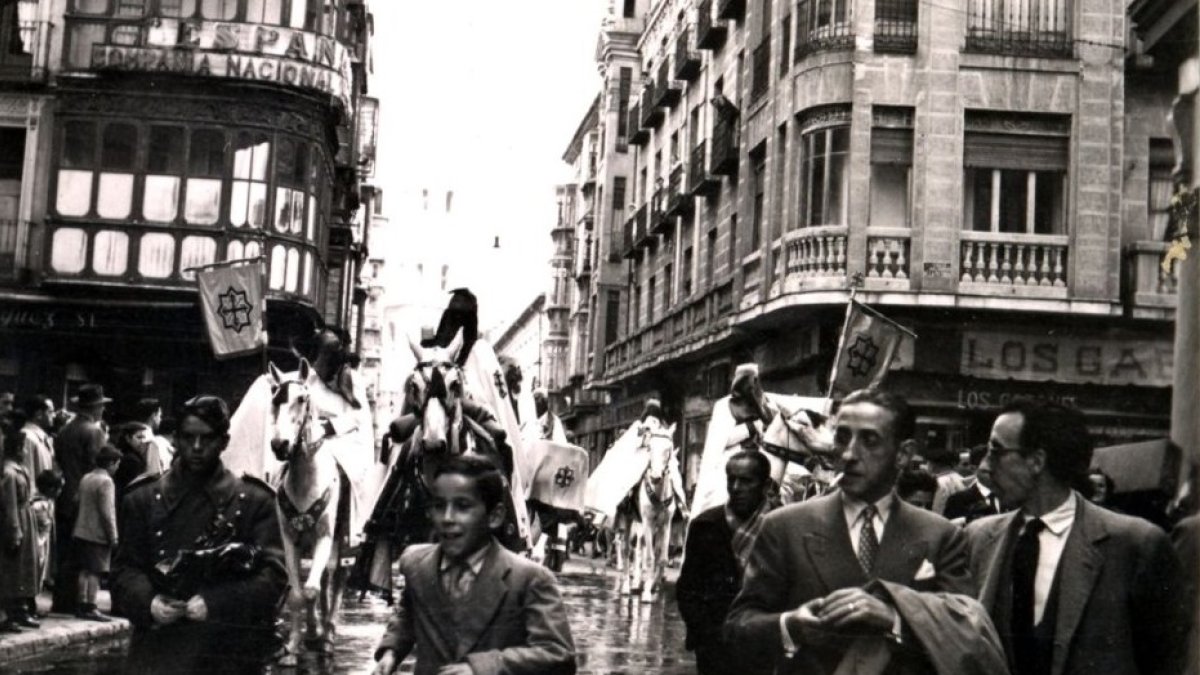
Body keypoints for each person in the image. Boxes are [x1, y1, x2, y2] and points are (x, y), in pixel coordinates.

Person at [725, 388, 1008, 675]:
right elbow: (737, 627)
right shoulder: (784, 526)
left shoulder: (940, 535)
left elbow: (965, 635)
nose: (849, 454)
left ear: (903, 454)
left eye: (869, 440)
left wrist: (895, 619)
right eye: (842, 437)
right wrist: (789, 625)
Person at [965, 401, 1191, 675]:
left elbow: (1168, 657)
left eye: (996, 451)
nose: (986, 467)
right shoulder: (978, 538)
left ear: (1036, 461)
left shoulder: (1134, 544)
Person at [111, 395, 287, 675]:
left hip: (228, 654)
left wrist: (217, 602)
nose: (196, 447)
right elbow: (124, 571)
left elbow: (274, 577)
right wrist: (149, 602)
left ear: (224, 442)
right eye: (188, 437)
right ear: (176, 439)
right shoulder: (142, 499)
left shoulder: (254, 501)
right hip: (159, 652)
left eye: (207, 438)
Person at [371, 455, 576, 675]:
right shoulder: (416, 564)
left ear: (495, 516)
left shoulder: (528, 579)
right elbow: (408, 613)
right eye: (439, 506)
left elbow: (558, 654)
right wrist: (391, 652)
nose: (447, 518)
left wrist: (481, 668)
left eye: (462, 506)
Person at [677, 451, 774, 675]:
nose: (736, 488)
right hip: (714, 649)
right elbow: (687, 589)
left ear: (766, 485)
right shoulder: (705, 526)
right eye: (731, 480)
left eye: (746, 481)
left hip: (762, 649)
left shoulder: (781, 526)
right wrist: (704, 635)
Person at [52, 383, 110, 614]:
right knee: (84, 553)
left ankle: (62, 599)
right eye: (101, 406)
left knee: (65, 550)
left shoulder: (66, 429)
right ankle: (80, 601)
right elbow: (98, 464)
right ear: (95, 407)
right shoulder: (94, 431)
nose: (103, 410)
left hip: (64, 496)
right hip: (84, 498)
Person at [73, 443, 120, 622]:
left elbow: (77, 500)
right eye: (117, 464)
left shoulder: (86, 477)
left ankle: (81, 603)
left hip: (81, 530)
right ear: (111, 463)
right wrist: (113, 535)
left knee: (84, 570)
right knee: (96, 571)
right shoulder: (106, 482)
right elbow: (107, 512)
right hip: (98, 533)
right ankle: (91, 606)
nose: (117, 468)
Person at [0, 426, 40, 632]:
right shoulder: (9, 473)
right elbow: (10, 505)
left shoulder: (19, 469)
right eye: (22, 447)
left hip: (26, 518)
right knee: (13, 569)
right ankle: (10, 613)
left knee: (25, 566)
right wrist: (14, 530)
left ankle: (21, 609)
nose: (24, 451)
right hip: (18, 520)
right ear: (16, 449)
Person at [944, 445, 1002, 525]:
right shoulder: (958, 500)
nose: (995, 473)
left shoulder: (1009, 497)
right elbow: (949, 529)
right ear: (973, 468)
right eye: (988, 470)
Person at [30, 470, 62, 611]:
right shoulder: (38, 505)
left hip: (44, 542)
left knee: (40, 573)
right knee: (35, 572)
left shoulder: (48, 502)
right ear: (51, 489)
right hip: (37, 542)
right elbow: (43, 524)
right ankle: (30, 604)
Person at [19, 395, 57, 484]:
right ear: (39, 414)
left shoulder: (44, 438)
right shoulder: (28, 438)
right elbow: (29, 476)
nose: (54, 415)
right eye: (50, 412)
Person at [133, 398, 173, 475]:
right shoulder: (153, 440)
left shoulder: (133, 434)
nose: (160, 419)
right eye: (160, 416)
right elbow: (155, 472)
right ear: (153, 415)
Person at [926, 444, 968, 516]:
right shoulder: (962, 479)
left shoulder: (938, 482)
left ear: (933, 465)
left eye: (928, 463)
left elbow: (937, 509)